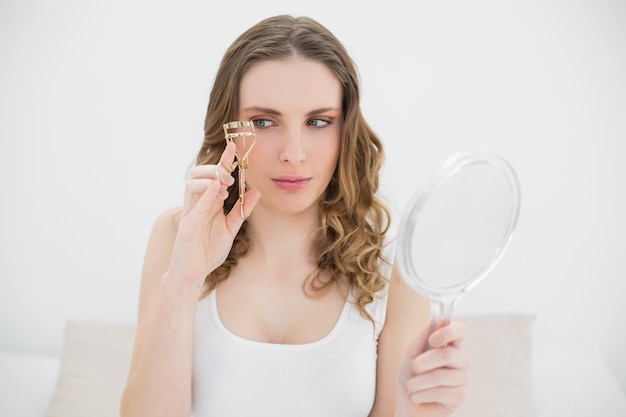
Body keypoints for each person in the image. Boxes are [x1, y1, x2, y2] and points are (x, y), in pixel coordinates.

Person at [120, 14, 470, 417]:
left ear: (346, 130)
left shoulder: (394, 266)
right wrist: (183, 281)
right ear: (229, 129)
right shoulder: (176, 235)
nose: (293, 152)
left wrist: (423, 406)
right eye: (264, 121)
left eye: (318, 121)